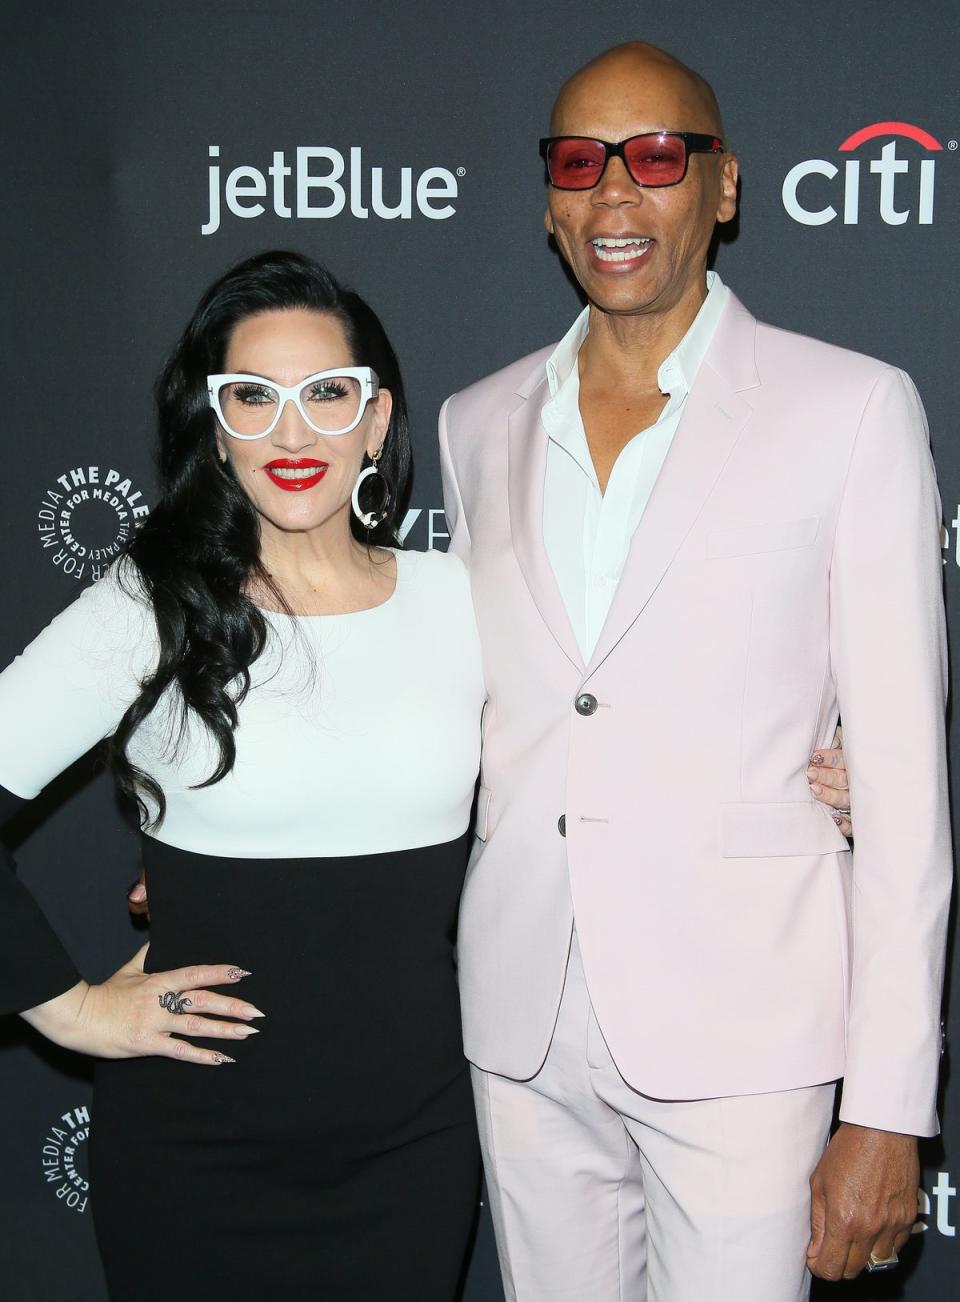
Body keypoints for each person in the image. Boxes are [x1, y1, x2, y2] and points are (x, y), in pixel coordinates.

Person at [438, 41, 951, 1302]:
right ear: (551, 197)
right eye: (579, 161)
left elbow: (900, 779)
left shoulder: (853, 408)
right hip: (520, 1019)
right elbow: (476, 708)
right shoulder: (474, 420)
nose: (617, 196)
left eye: (657, 156)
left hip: (747, 1025)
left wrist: (888, 1101)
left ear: (721, 188)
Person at [0, 251, 485, 1301]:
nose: (294, 432)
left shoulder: (464, 600)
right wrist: (66, 1009)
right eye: (252, 398)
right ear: (217, 428)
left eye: (327, 394)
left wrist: (829, 764)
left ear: (377, 416)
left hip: (416, 1147)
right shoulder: (153, 603)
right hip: (196, 1157)